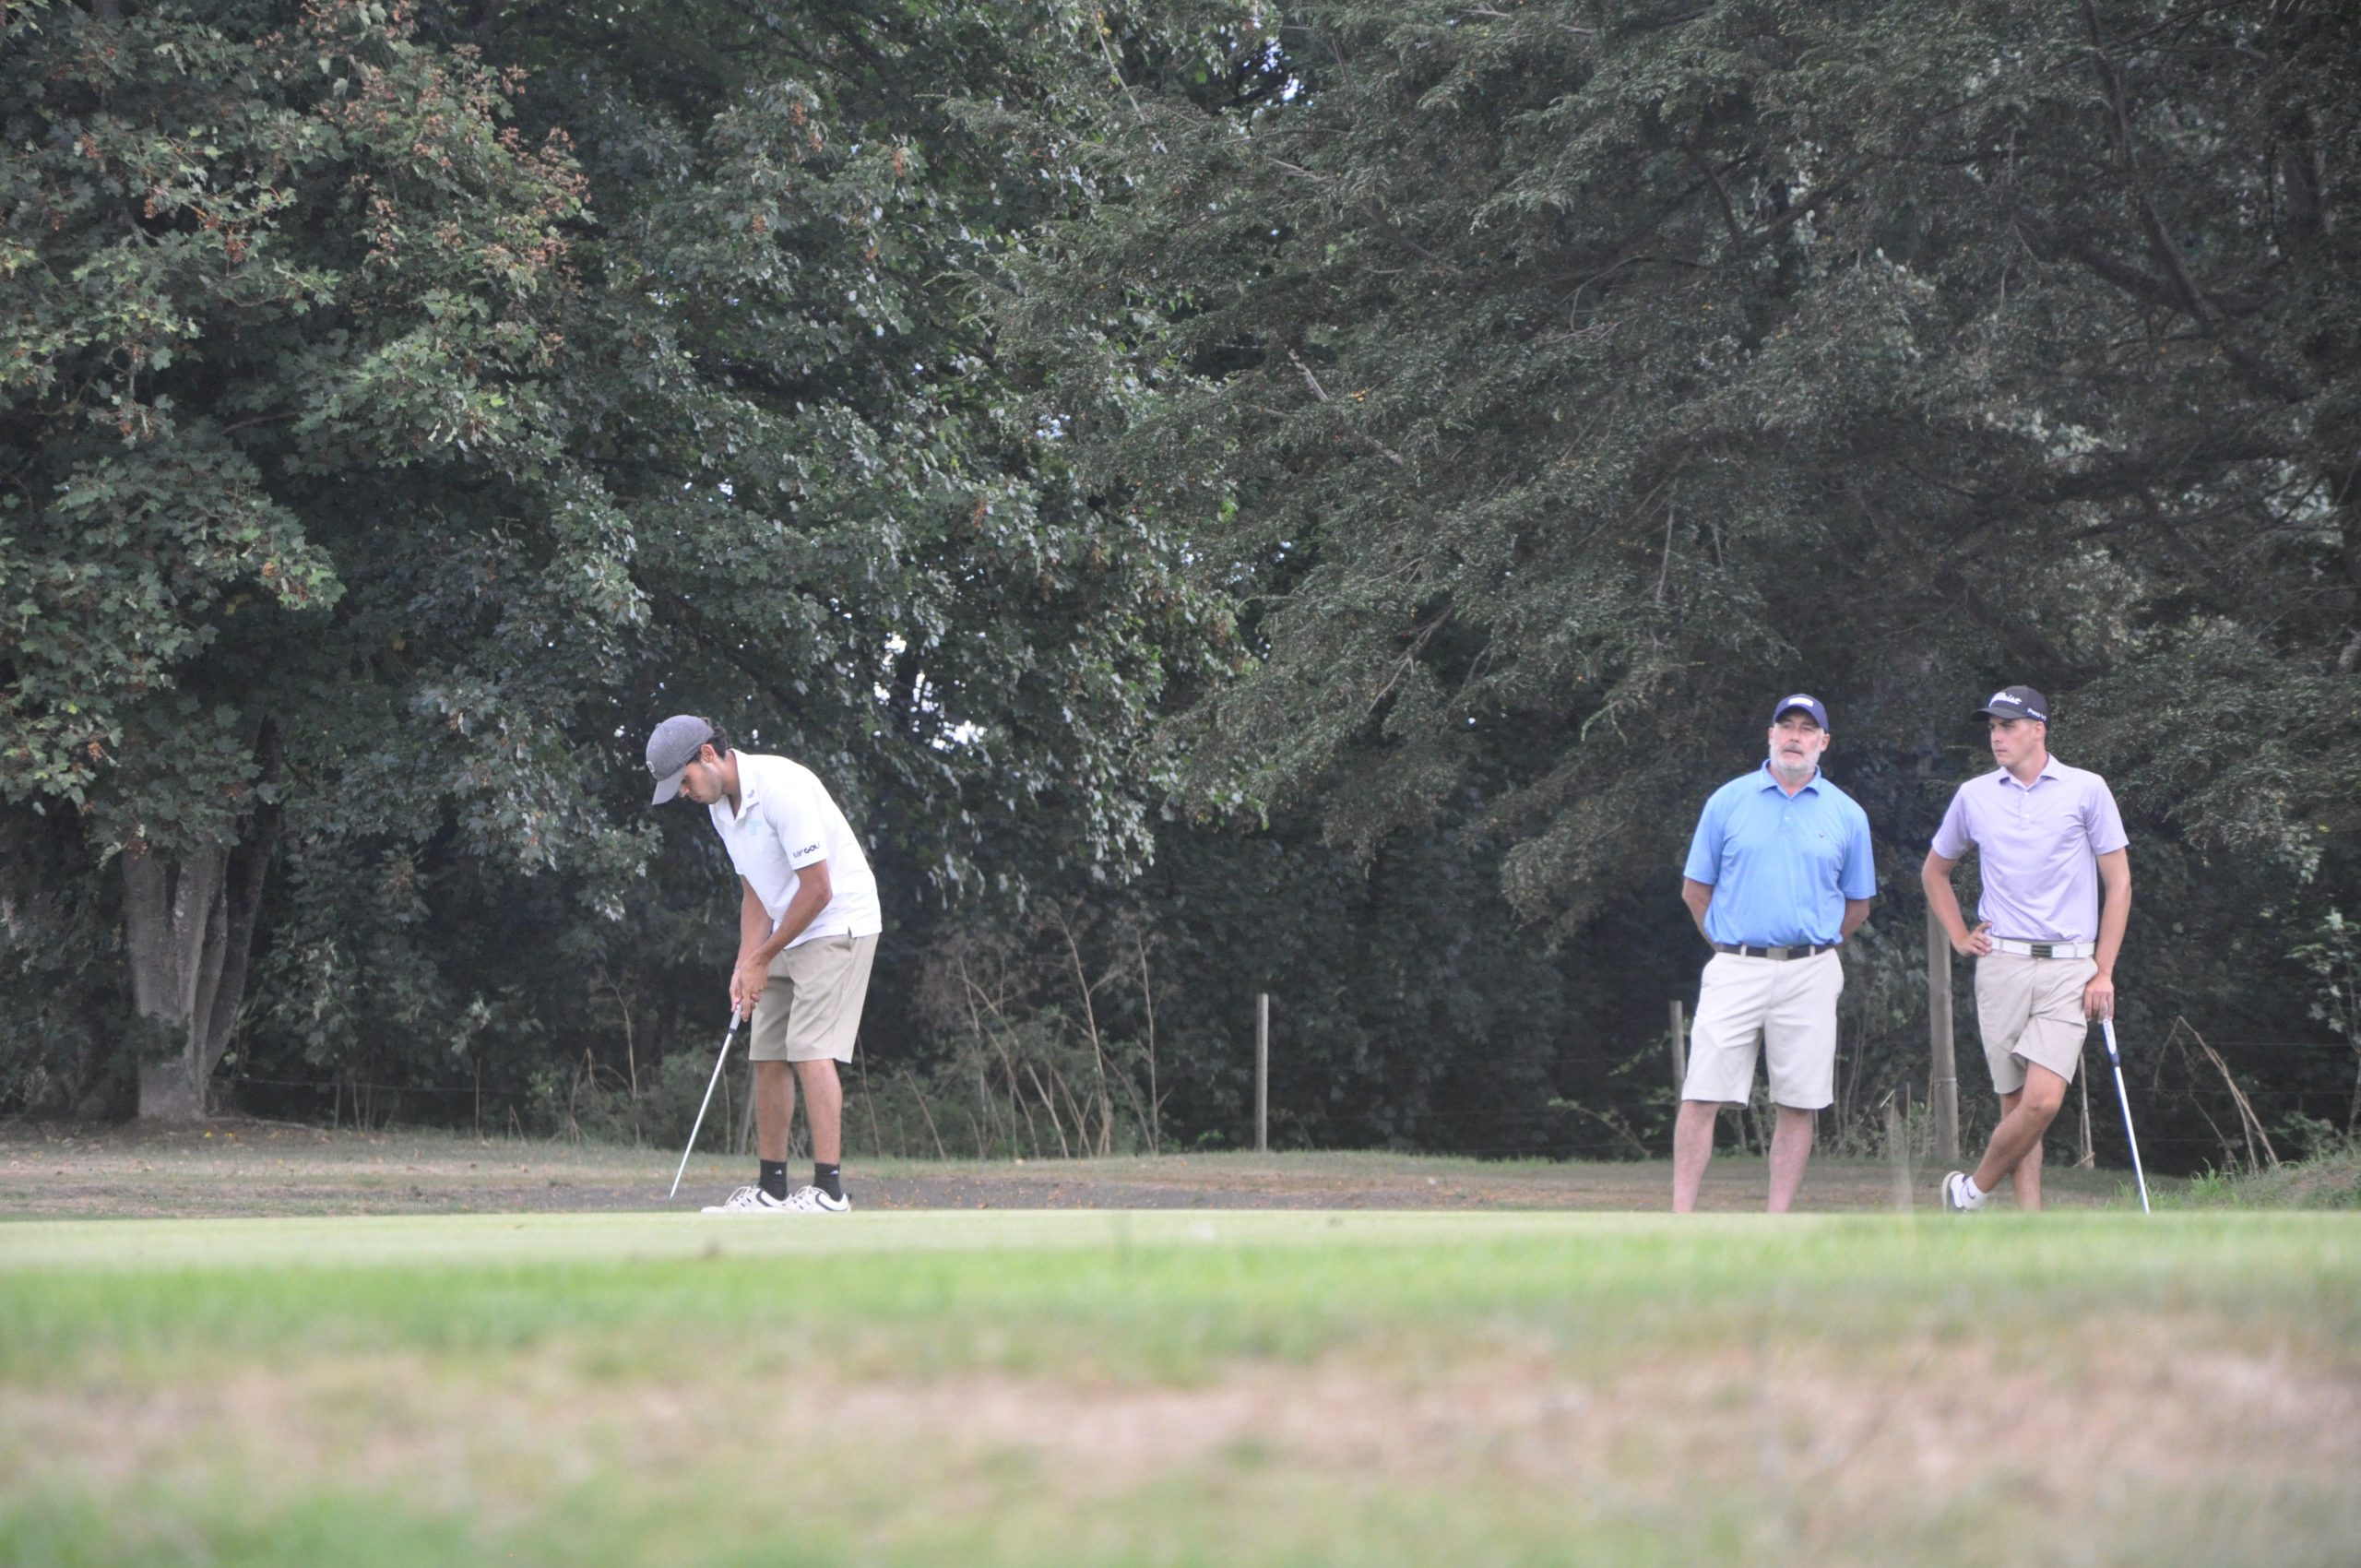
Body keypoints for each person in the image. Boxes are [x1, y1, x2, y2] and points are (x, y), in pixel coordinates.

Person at [646, 715, 882, 1214]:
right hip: (785, 927)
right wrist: (744, 964)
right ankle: (772, 1190)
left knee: (809, 1048)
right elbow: (754, 891)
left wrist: (763, 957)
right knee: (768, 1052)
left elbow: (819, 889)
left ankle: (829, 1192)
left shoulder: (781, 787)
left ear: (707, 755)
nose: (684, 794)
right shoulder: (720, 809)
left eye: (683, 781)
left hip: (838, 920)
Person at [1921, 684, 2130, 1213]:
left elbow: (2120, 883)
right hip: (2002, 965)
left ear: (2038, 730)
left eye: (2008, 726)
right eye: (1993, 727)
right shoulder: (1974, 795)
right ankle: (2029, 1226)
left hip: (2070, 967)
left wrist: (2104, 971)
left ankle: (1969, 1192)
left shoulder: (2087, 789)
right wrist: (1958, 935)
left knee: (2041, 1102)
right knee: (2014, 1103)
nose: (1997, 737)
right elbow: (1935, 871)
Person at [1673, 694, 1877, 1212]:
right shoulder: (1727, 801)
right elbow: (1695, 890)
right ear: (1770, 735)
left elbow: (1858, 904)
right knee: (1701, 1094)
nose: (1795, 736)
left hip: (1811, 970)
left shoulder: (1847, 814)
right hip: (1735, 966)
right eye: (1786, 726)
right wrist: (1727, 945)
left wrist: (1817, 946)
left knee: (1799, 1100)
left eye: (1807, 729)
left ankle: (1777, 1222)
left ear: (1823, 742)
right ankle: (1679, 1219)